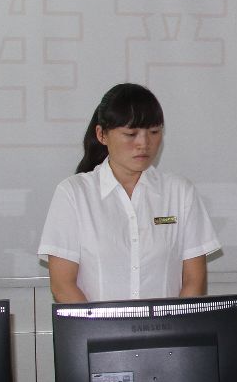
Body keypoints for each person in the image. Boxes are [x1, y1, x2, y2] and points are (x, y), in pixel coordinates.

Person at [38, 83, 219, 302]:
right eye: (131, 134)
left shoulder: (180, 192)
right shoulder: (73, 194)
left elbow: (194, 281)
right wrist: (101, 323)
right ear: (102, 135)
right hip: (95, 324)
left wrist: (171, 322)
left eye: (154, 132)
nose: (144, 143)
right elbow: (62, 285)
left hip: (168, 324)